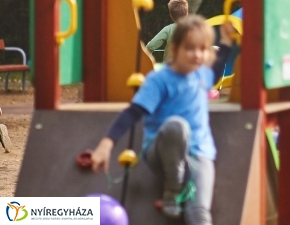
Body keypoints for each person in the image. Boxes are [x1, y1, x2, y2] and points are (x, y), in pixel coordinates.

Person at [91, 16, 233, 223]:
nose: (197, 55)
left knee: (200, 212)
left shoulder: (201, 74)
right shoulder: (160, 80)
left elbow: (215, 71)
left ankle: (180, 191)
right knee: (177, 127)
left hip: (199, 152)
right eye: (190, 48)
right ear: (175, 49)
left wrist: (226, 42)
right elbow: (133, 112)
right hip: (161, 151)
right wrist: (106, 143)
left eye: (202, 49)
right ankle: (172, 189)